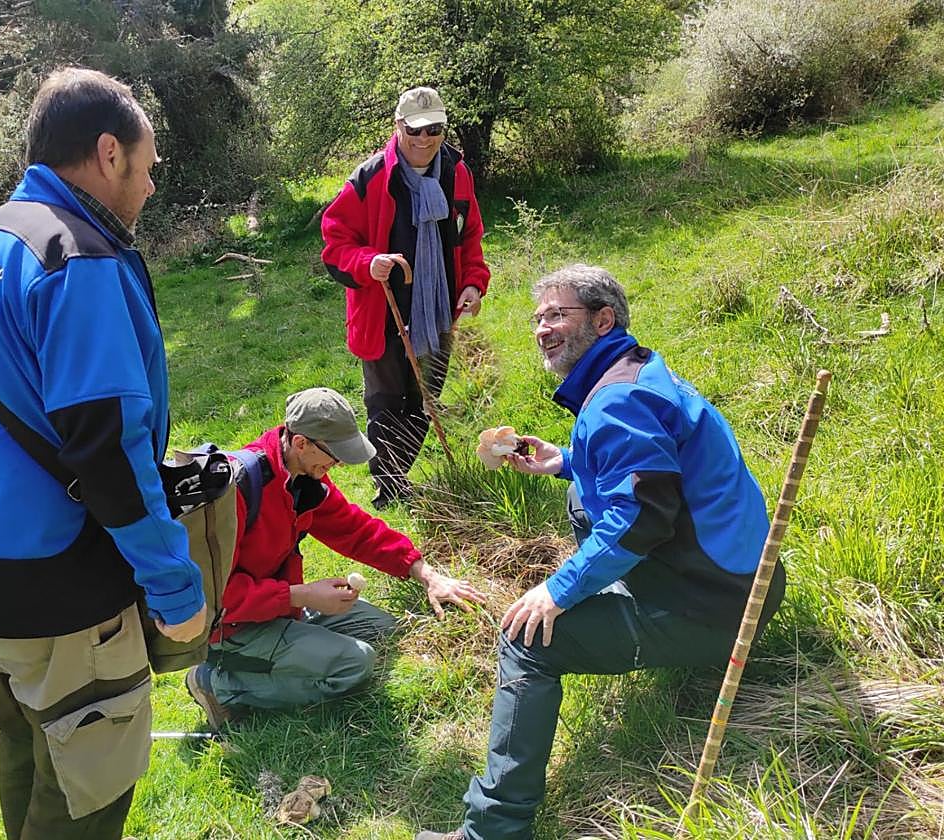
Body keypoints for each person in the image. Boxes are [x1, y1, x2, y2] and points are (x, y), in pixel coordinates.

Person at [0, 67, 206, 840]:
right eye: (148, 168)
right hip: (65, 586)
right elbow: (106, 446)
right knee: (88, 791)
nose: (150, 188)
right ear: (108, 153)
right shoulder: (77, 260)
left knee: (27, 755)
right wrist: (175, 590)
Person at [415, 265, 786, 840]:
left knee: (526, 641)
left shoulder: (615, 402)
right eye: (538, 318)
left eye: (558, 314)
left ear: (604, 319)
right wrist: (565, 460)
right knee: (579, 498)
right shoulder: (636, 371)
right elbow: (652, 477)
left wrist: (558, 589)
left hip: (720, 611)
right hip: (751, 580)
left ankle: (492, 830)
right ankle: (632, 604)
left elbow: (642, 515)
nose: (542, 328)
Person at [184, 387, 486, 728]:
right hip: (230, 627)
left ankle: (287, 647)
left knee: (383, 630)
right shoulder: (239, 490)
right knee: (355, 665)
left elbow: (357, 531)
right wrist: (302, 595)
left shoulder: (302, 478)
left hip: (281, 606)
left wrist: (427, 574)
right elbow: (216, 597)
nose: (338, 464)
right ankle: (218, 685)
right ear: (300, 443)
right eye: (333, 454)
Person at [321, 86, 491, 509]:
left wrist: (473, 283)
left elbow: (469, 236)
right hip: (385, 313)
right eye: (414, 129)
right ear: (398, 127)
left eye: (433, 128)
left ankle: (399, 474)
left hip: (438, 311)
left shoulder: (457, 172)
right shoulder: (371, 177)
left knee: (422, 398)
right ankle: (389, 488)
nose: (424, 138)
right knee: (386, 403)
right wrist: (368, 262)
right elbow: (335, 241)